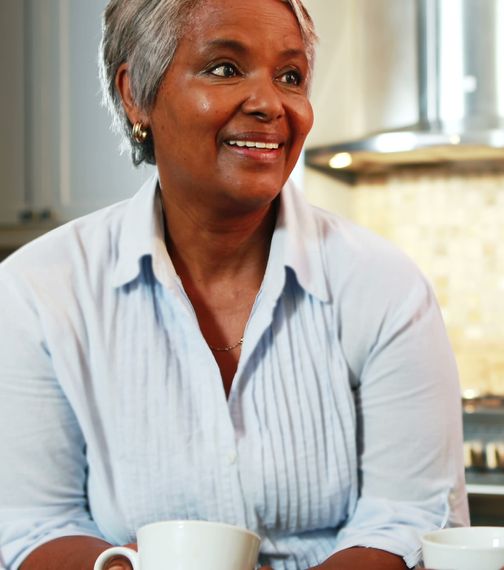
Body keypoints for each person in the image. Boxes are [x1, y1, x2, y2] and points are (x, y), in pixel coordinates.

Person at [0, 0, 468, 569]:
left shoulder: (387, 288)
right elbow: (32, 524)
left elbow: (410, 520)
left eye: (291, 76)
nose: (271, 104)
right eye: (224, 68)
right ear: (135, 94)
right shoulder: (35, 292)